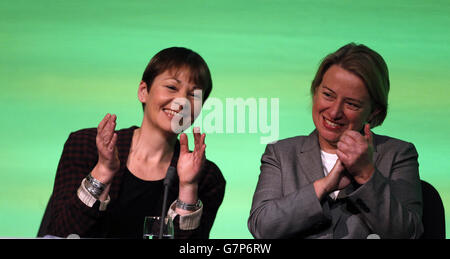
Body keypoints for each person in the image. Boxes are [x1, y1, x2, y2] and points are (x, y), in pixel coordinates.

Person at [42, 47, 226, 238]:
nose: (182, 102)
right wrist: (103, 170)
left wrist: (188, 187)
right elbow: (60, 232)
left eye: (194, 95)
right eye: (172, 87)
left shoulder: (206, 176)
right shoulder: (86, 145)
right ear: (143, 91)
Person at [248, 43, 423, 239]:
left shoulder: (398, 154)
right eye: (328, 95)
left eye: (351, 104)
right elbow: (262, 228)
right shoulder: (281, 153)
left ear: (374, 111)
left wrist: (366, 174)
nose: (334, 112)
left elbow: (408, 234)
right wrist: (323, 186)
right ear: (315, 91)